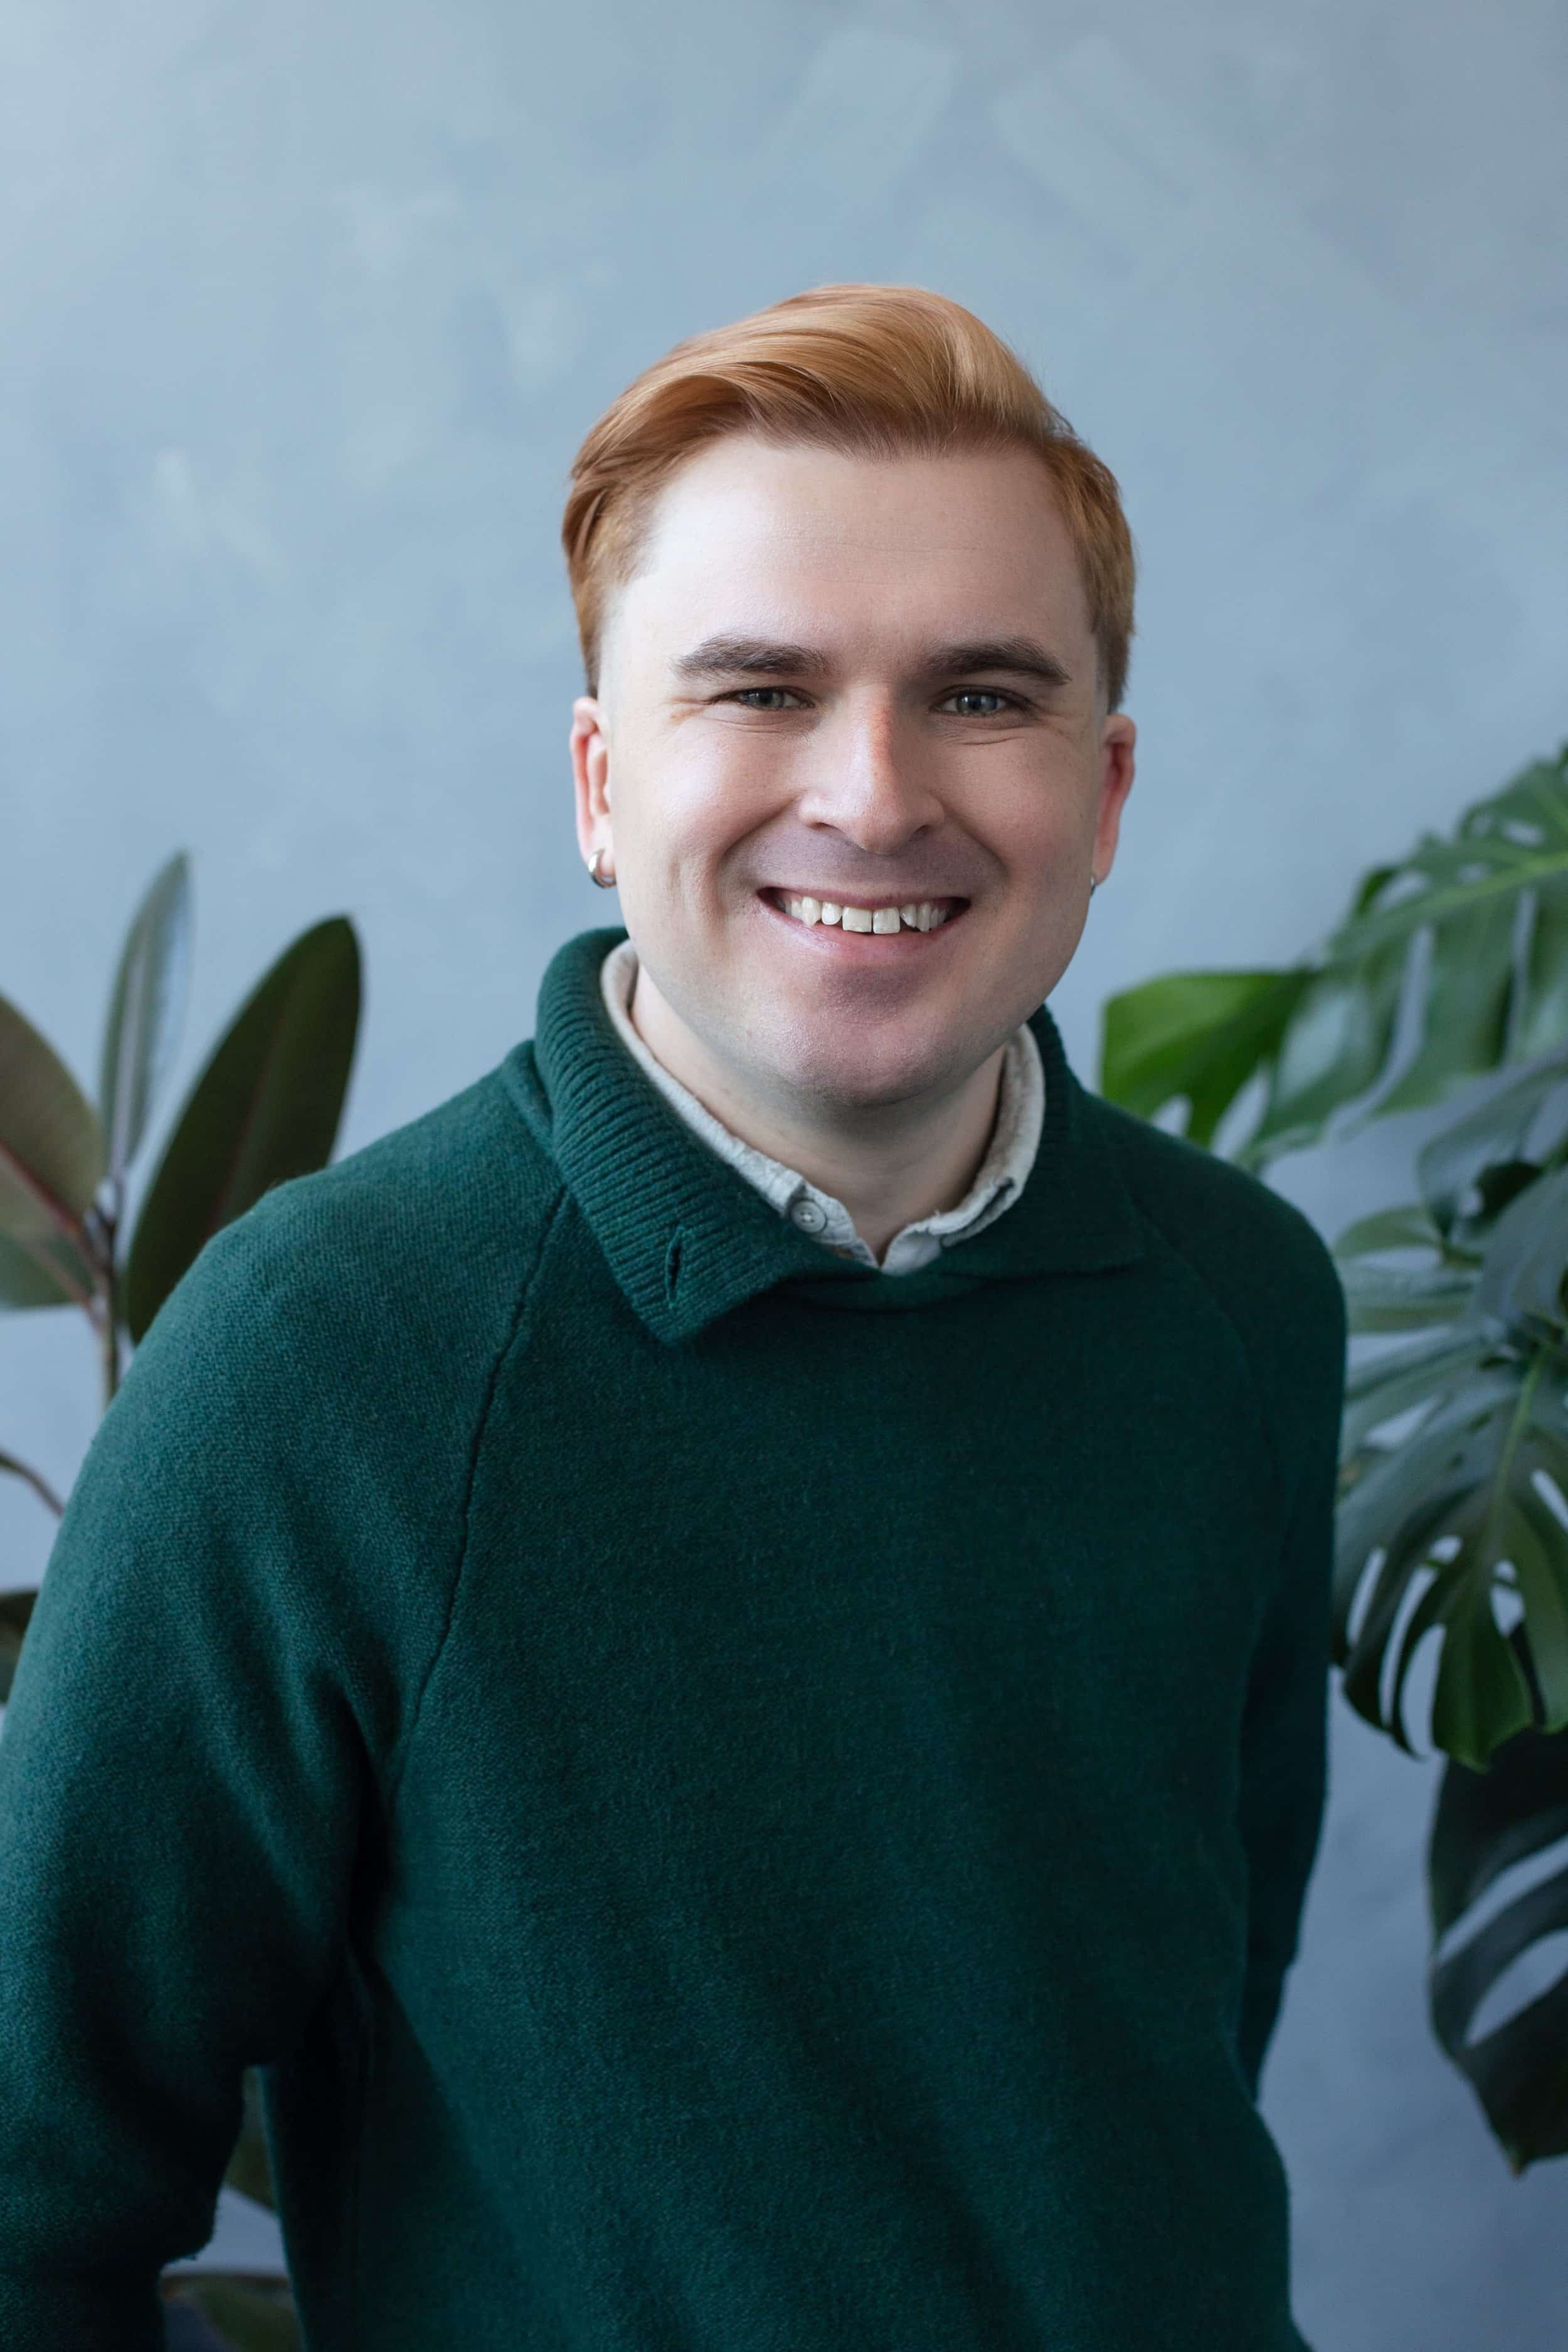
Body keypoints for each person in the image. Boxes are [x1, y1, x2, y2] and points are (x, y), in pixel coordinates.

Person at [0, 283, 1347, 2350]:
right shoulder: (323, 1361)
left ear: (1104, 787)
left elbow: (1176, 2021)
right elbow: (30, 2199)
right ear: (601, 784)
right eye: (763, 690)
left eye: (983, 695)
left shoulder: (1241, 1303)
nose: (877, 792)